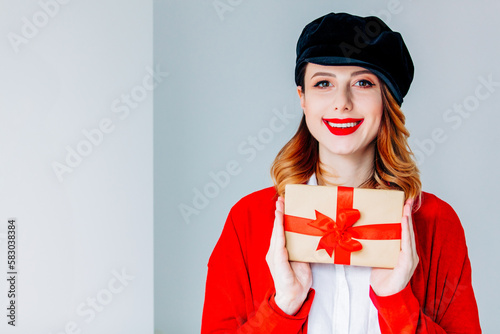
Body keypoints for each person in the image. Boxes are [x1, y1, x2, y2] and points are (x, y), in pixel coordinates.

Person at [201, 12, 481, 333]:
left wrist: (396, 300)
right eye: (323, 83)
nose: (341, 103)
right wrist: (284, 306)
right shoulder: (248, 219)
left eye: (363, 83)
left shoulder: (436, 224)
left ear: (387, 100)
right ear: (302, 98)